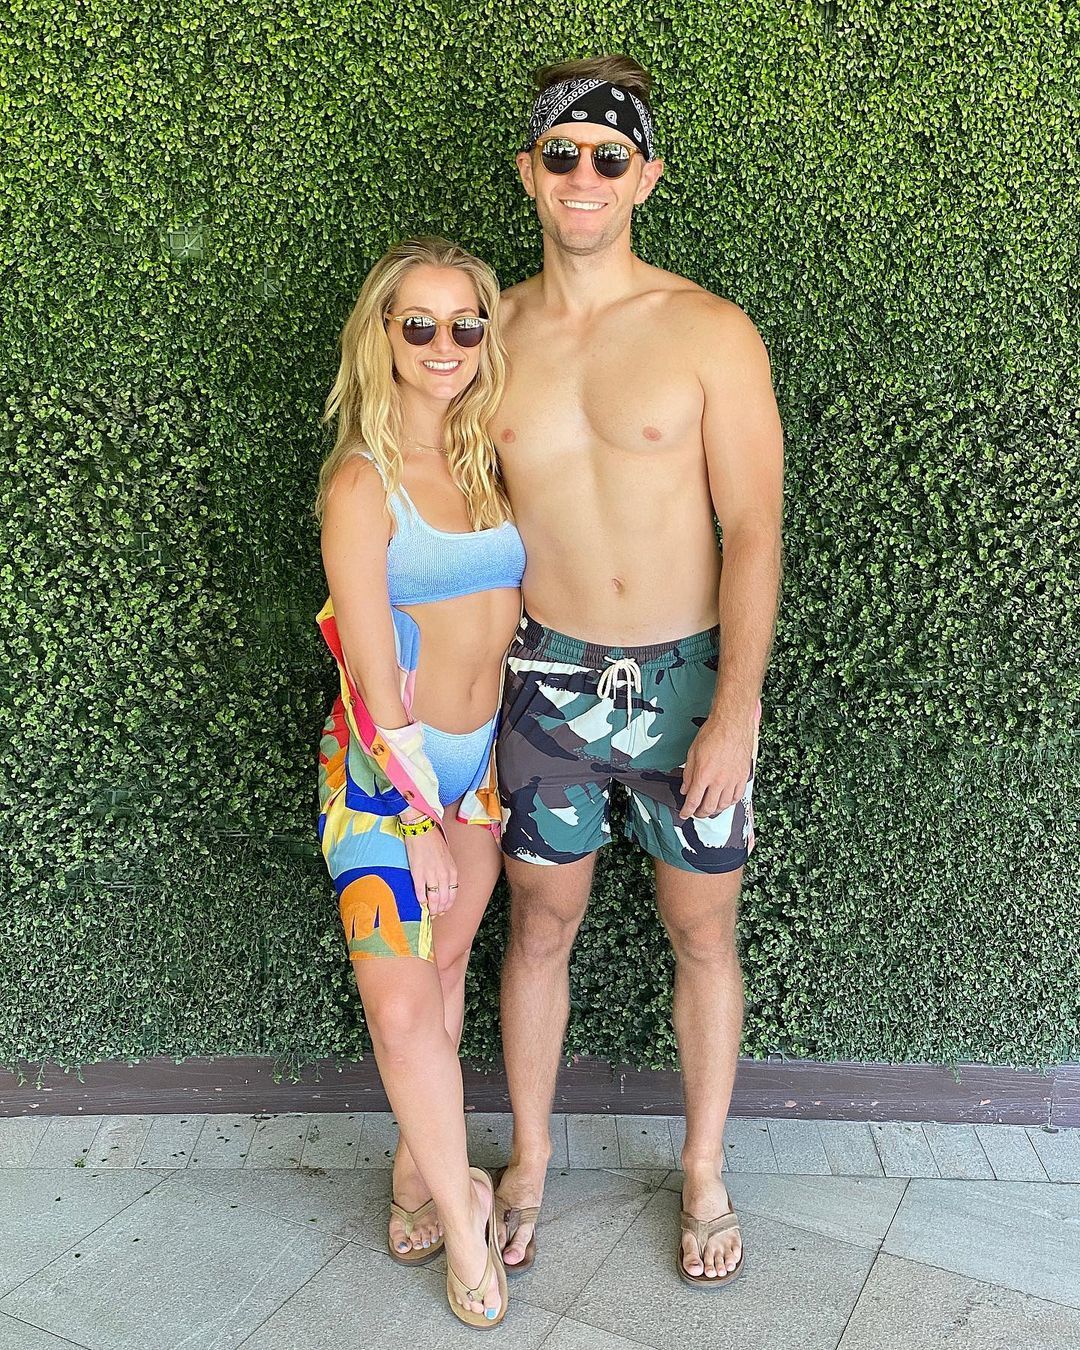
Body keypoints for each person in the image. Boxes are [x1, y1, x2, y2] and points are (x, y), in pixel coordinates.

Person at [492, 57, 784, 1287]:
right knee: (538, 924)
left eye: (609, 158)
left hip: (685, 680)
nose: (585, 177)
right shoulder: (487, 334)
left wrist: (736, 709)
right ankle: (529, 1160)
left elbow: (754, 528)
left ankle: (704, 1168)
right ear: (530, 171)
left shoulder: (709, 331)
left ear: (645, 177)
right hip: (543, 679)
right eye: (563, 154)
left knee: (702, 931)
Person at [313, 236, 525, 1326]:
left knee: (443, 978)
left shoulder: (491, 460)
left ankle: (414, 1171)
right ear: (383, 337)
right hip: (383, 777)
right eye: (420, 325)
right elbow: (364, 667)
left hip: (477, 768)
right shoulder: (364, 480)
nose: (446, 345)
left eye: (465, 324)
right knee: (402, 1014)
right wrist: (415, 816)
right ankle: (467, 1227)